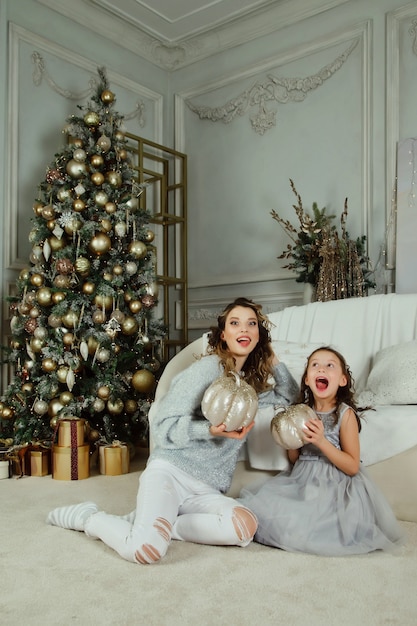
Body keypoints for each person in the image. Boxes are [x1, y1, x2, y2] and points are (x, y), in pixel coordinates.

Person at [47, 297, 299, 564]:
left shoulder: (250, 387)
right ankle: (89, 517)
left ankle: (168, 526)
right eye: (235, 323)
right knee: (144, 550)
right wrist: (210, 430)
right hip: (171, 472)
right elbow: (163, 426)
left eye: (251, 324)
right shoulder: (206, 370)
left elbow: (288, 396)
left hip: (208, 489)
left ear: (259, 335)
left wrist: (274, 361)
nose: (244, 330)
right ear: (223, 335)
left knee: (244, 526)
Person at [239, 346, 405, 556]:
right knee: (266, 512)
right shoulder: (302, 411)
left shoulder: (345, 415)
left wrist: (321, 441)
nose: (322, 370)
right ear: (307, 379)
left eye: (330, 366)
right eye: (315, 365)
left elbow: (352, 466)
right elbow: (295, 460)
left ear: (342, 380)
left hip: (334, 486)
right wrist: (291, 444)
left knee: (316, 529)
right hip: (302, 480)